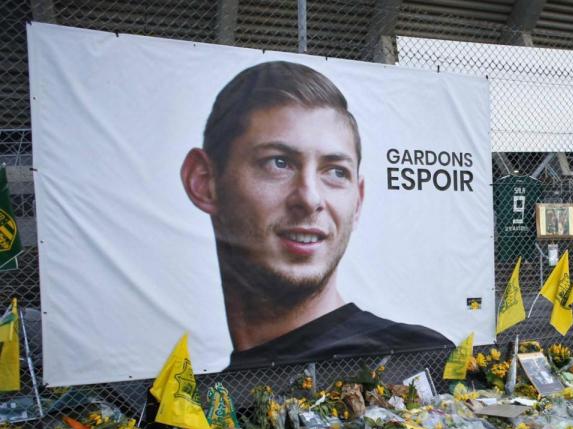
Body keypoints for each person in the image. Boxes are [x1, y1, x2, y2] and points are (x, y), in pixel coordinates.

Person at [180, 61, 451, 370]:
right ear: (203, 182)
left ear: (358, 201)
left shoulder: (415, 361)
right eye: (278, 163)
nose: (309, 199)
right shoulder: (187, 396)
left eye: (336, 172)